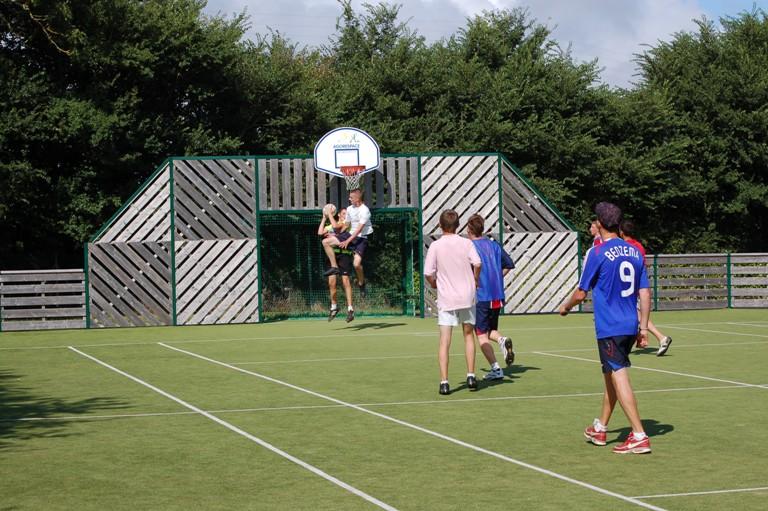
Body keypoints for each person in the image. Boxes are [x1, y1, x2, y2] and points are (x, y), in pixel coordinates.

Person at [559, 202, 652, 454]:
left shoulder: (597, 253)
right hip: (630, 325)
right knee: (610, 374)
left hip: (609, 326)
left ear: (600, 223)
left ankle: (639, 434)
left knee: (618, 374)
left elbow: (580, 293)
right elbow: (644, 292)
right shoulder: (634, 252)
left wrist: (565, 307)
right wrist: (643, 328)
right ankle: (600, 427)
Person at [424, 210, 482, 395]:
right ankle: (471, 376)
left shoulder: (436, 246)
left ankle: (444, 382)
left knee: (444, 341)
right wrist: (475, 279)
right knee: (468, 335)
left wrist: (434, 283)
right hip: (467, 295)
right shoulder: (466, 243)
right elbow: (478, 263)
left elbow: (428, 273)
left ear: (440, 226)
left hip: (447, 298)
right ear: (458, 226)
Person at [466, 214, 516, 381]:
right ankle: (502, 339)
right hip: (497, 295)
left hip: (482, 296)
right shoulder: (494, 245)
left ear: (469, 229)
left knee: (480, 335)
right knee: (489, 331)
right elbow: (509, 264)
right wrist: (498, 278)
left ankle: (496, 368)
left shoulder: (470, 247)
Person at [620, 219, 672, 356]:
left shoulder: (622, 248)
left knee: (639, 316)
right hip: (638, 285)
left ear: (621, 232)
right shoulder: (639, 246)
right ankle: (640, 338)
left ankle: (661, 338)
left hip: (631, 288)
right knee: (636, 316)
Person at [323, 189, 373, 298]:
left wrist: (347, 241)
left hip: (361, 238)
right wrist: (337, 236)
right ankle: (334, 266)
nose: (349, 199)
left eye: (351, 197)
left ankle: (361, 283)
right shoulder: (350, 208)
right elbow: (346, 225)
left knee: (356, 264)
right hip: (349, 235)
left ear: (357, 198)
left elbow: (359, 230)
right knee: (326, 242)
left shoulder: (365, 211)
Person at [318, 208, 355, 322]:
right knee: (332, 283)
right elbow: (320, 233)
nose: (345, 215)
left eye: (347, 214)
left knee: (345, 281)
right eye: (344, 214)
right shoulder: (331, 226)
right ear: (338, 214)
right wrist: (324, 218)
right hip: (333, 256)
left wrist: (329, 214)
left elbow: (337, 228)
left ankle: (350, 309)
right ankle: (334, 307)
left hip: (344, 255)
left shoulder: (346, 224)